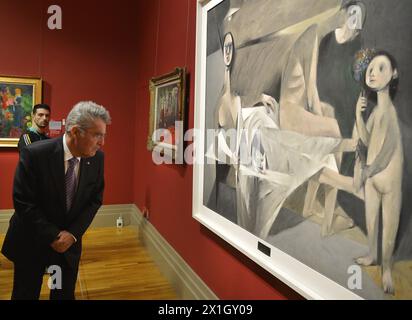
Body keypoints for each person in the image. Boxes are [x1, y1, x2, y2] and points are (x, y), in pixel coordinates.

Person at [1, 101, 111, 300]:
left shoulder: (97, 158)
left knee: (61, 293)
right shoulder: (35, 154)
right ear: (76, 132)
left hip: (67, 248)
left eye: (103, 135)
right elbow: (23, 202)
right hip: (31, 241)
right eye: (97, 135)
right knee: (26, 294)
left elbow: (95, 200)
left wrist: (72, 234)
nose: (102, 142)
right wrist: (53, 235)